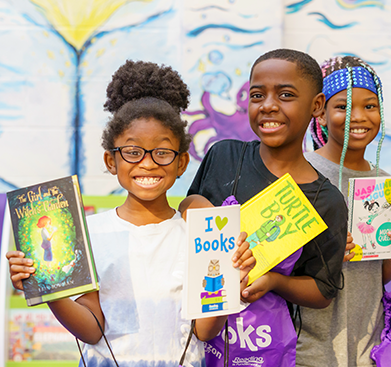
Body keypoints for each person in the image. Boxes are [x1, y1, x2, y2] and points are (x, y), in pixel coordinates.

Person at [7, 60, 254, 367]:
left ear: (181, 162)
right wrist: (48, 288)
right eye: (133, 152)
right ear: (111, 161)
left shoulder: (200, 236)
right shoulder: (89, 234)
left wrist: (231, 283)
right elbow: (92, 330)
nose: (148, 164)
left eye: (162, 152)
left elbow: (203, 331)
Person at [181, 48, 348, 367]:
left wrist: (273, 281)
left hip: (264, 348)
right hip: (196, 341)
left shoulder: (325, 200)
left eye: (285, 94)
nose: (268, 105)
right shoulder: (225, 157)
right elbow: (187, 205)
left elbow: (323, 290)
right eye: (258, 94)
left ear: (316, 106)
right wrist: (202, 210)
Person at [297, 56, 391, 367]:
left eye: (370, 106)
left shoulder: (382, 183)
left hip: (367, 345)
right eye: (343, 107)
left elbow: (377, 274)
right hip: (308, 347)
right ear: (320, 114)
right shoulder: (302, 173)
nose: (359, 116)